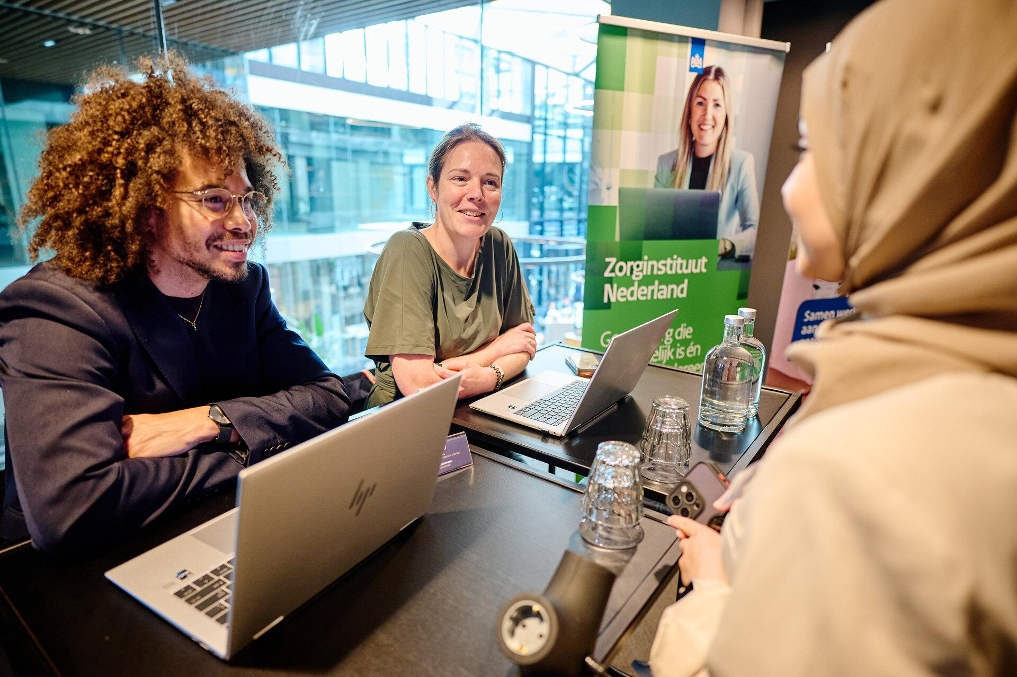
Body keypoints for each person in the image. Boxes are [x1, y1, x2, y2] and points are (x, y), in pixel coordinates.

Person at [649, 0, 1017, 674]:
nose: (789, 188)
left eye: (815, 150)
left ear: (915, 170)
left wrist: (710, 586)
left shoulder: (854, 475)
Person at [0, 55, 350, 556]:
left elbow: (329, 396)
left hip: (212, 528)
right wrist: (248, 444)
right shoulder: (55, 309)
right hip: (63, 580)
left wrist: (210, 421)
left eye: (247, 200)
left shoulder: (242, 289)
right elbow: (71, 509)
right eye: (214, 200)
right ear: (146, 209)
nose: (244, 222)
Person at [363, 123, 536, 408]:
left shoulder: (499, 244)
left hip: (480, 407)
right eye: (460, 178)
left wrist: (490, 376)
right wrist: (497, 350)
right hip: (407, 420)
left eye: (490, 182)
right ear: (433, 187)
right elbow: (419, 385)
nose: (476, 193)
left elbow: (525, 343)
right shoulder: (408, 250)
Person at [655, 66, 758, 259]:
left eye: (717, 105)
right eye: (701, 103)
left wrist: (725, 245)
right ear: (690, 111)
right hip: (669, 273)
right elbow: (653, 226)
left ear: (726, 114)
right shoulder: (666, 163)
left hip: (713, 276)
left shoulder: (741, 164)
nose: (707, 114)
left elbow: (755, 230)